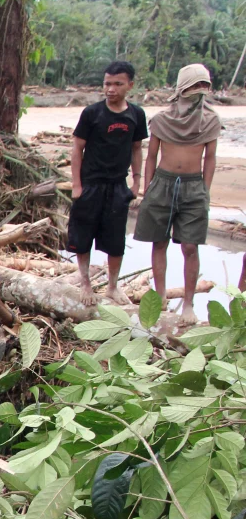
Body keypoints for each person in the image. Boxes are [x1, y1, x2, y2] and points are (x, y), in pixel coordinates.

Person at [133, 63, 222, 325]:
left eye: (204, 85)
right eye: (196, 84)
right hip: (162, 183)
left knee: (190, 246)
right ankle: (160, 297)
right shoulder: (162, 120)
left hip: (194, 186)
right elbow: (151, 156)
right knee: (159, 242)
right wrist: (148, 188)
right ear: (183, 87)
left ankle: (189, 304)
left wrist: (204, 190)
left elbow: (210, 158)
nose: (200, 90)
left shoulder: (210, 120)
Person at [68, 61, 148, 306]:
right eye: (107, 83)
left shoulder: (136, 114)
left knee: (115, 240)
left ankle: (112, 286)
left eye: (117, 84)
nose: (111, 89)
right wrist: (77, 185)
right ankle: (85, 282)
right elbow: (77, 148)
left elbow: (136, 148)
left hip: (117, 185)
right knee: (82, 236)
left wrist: (136, 181)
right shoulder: (92, 113)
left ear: (130, 85)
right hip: (90, 183)